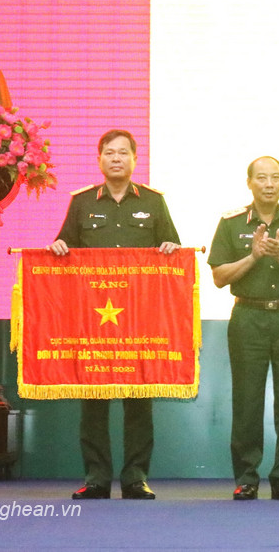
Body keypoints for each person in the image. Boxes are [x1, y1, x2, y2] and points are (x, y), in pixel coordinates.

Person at [48, 129, 181, 500]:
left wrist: (170, 247)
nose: (117, 158)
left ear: (135, 159)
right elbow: (65, 246)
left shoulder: (153, 202)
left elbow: (174, 249)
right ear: (99, 160)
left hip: (140, 317)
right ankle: (97, 477)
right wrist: (58, 247)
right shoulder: (81, 202)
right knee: (94, 398)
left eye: (123, 152)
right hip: (94, 318)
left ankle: (136, 477)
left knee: (139, 397)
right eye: (109, 152)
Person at [208, 157, 279, 501]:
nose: (269, 184)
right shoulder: (230, 223)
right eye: (262, 178)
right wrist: (254, 256)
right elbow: (218, 277)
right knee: (247, 402)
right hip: (248, 317)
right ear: (249, 183)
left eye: (275, 177)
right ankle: (246, 478)